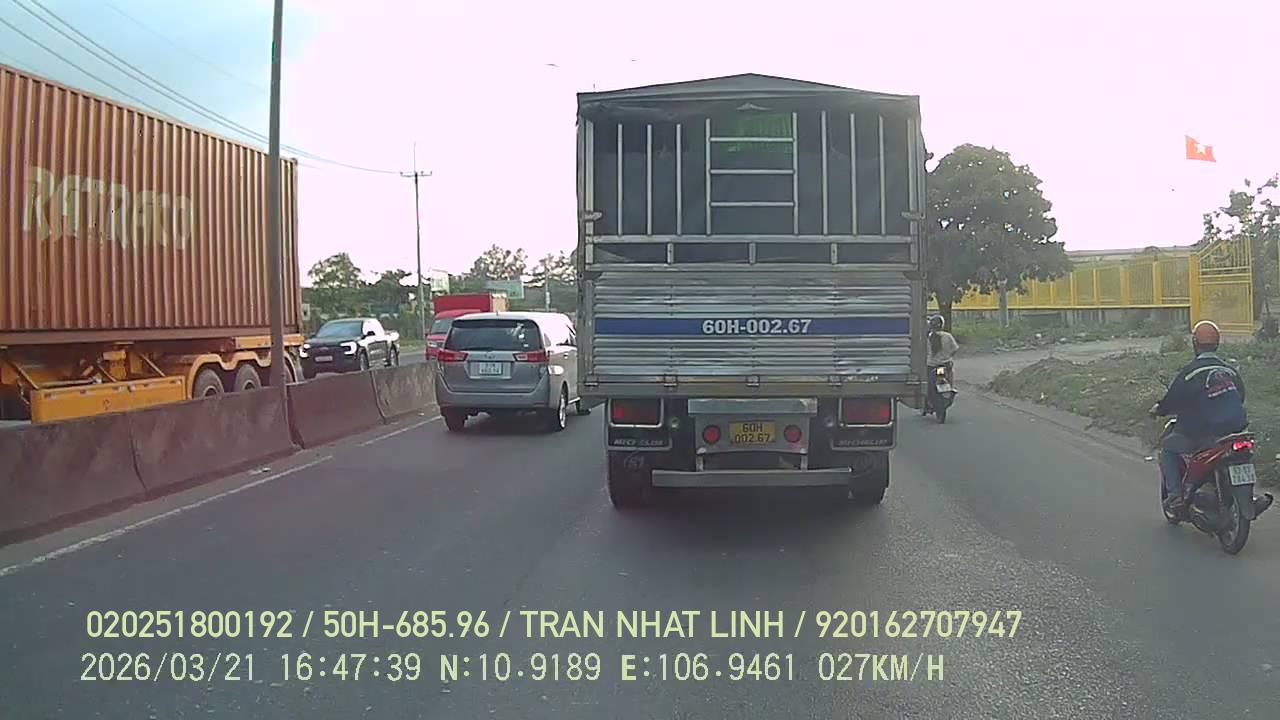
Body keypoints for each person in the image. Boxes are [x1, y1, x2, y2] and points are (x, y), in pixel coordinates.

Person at [1149, 320, 1248, 513]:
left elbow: (1172, 399)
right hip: (1236, 431)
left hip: (1203, 434)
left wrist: (1158, 410)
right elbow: (1241, 396)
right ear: (1217, 344)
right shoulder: (1229, 371)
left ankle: (1175, 496)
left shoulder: (1190, 373)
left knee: (1168, 448)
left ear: (1195, 343)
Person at [925, 315, 959, 413]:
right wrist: (948, 356)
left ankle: (929, 400)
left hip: (932, 365)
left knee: (927, 383)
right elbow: (955, 349)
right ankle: (951, 388)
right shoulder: (948, 336)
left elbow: (923, 351)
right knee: (950, 378)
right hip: (946, 364)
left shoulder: (928, 337)